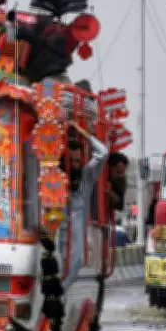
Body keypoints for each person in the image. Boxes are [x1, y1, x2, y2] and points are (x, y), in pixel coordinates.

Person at [58, 120, 108, 291]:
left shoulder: (86, 177)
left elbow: (103, 153)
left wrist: (82, 133)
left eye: (78, 161)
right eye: (71, 161)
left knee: (73, 268)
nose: (75, 165)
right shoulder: (54, 177)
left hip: (75, 243)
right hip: (54, 237)